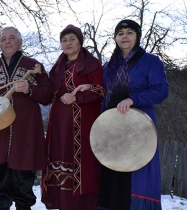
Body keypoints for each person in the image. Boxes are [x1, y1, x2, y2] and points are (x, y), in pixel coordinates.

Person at [0, 26, 54, 210]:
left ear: (20, 42)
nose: (7, 42)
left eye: (12, 38)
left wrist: (30, 89)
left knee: (23, 176)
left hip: (25, 129)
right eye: (3, 39)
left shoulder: (33, 66)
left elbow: (48, 94)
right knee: (0, 177)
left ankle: (24, 207)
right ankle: (1, 206)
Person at [97, 19, 169, 210]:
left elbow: (161, 90)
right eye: (120, 33)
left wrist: (133, 99)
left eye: (129, 32)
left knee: (138, 174)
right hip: (112, 126)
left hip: (139, 125)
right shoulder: (109, 66)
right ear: (115, 38)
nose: (125, 36)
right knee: (112, 172)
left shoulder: (150, 61)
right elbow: (104, 93)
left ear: (137, 36)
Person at [40, 24, 105, 210]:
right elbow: (50, 93)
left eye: (72, 39)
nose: (68, 43)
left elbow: (100, 90)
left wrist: (78, 96)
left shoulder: (91, 64)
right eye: (64, 40)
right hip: (59, 123)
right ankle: (63, 204)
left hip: (82, 123)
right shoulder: (58, 66)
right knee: (59, 157)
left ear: (80, 41)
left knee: (82, 164)